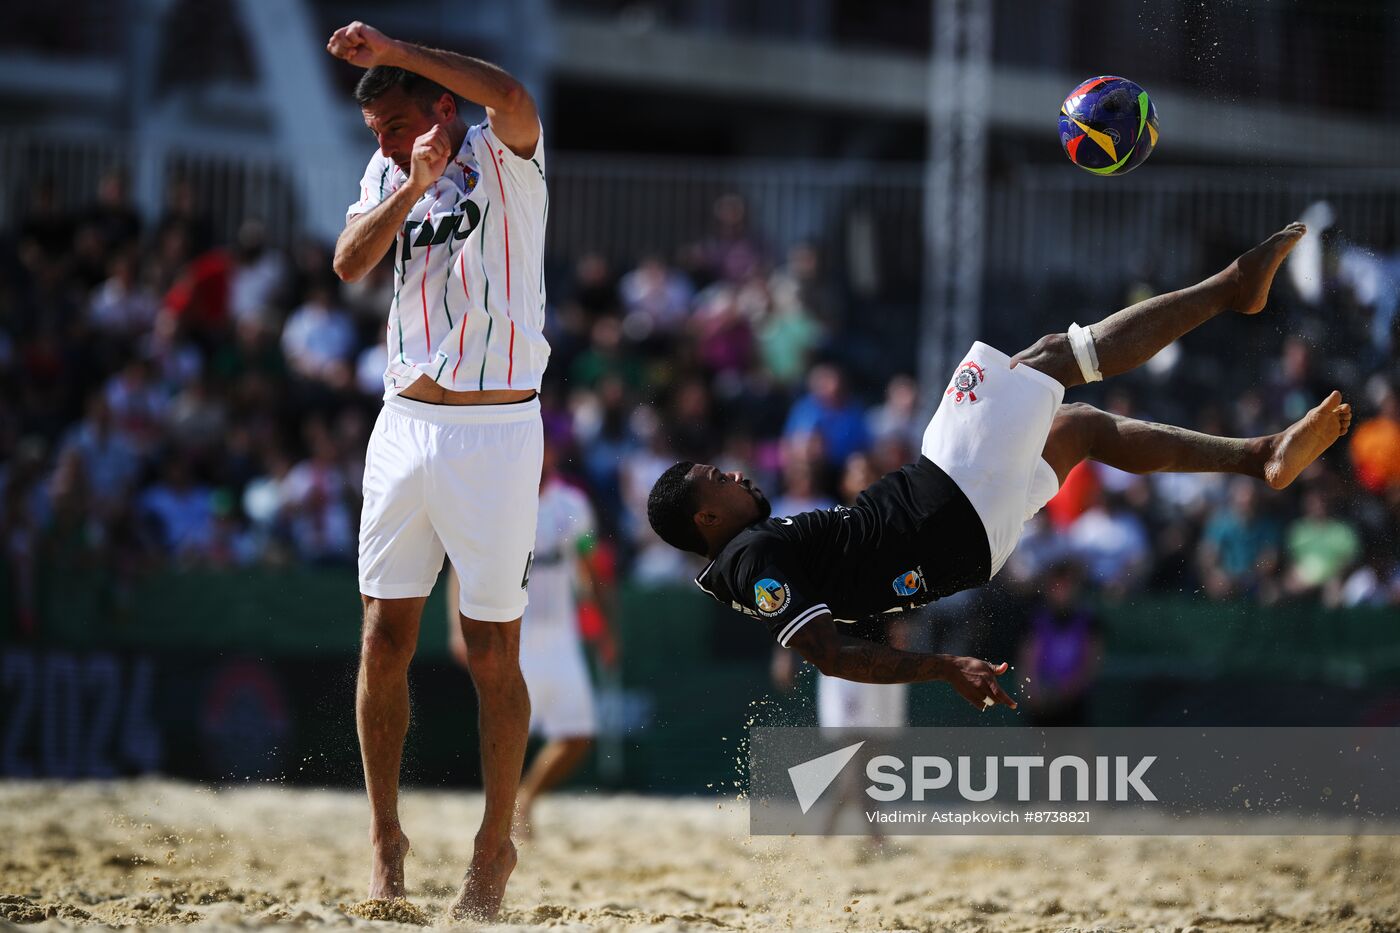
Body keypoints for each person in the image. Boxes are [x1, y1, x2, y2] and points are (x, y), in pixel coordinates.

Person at [647, 224, 1353, 710]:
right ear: (705, 517)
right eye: (721, 480)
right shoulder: (747, 558)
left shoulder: (746, 557)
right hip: (945, 502)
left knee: (1079, 430)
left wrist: (934, 657)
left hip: (966, 539)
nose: (737, 475)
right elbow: (829, 653)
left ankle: (1260, 456)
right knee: (1052, 357)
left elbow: (835, 628)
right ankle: (1234, 288)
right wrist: (942, 665)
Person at [326, 20, 548, 920]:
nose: (380, 142)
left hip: (497, 430)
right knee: (385, 636)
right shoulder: (388, 170)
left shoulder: (508, 155)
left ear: (439, 107)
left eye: (394, 124)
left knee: (493, 650)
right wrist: (404, 181)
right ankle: (386, 841)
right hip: (405, 424)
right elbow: (347, 264)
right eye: (375, 132)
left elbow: (513, 93)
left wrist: (396, 52)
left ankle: (495, 845)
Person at [446, 437, 615, 838]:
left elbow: (591, 566)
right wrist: (458, 628)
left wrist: (604, 629)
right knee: (507, 728)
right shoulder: (496, 498)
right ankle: (500, 819)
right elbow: (461, 567)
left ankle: (525, 799)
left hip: (561, 635)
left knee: (577, 734)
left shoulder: (572, 505)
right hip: (510, 631)